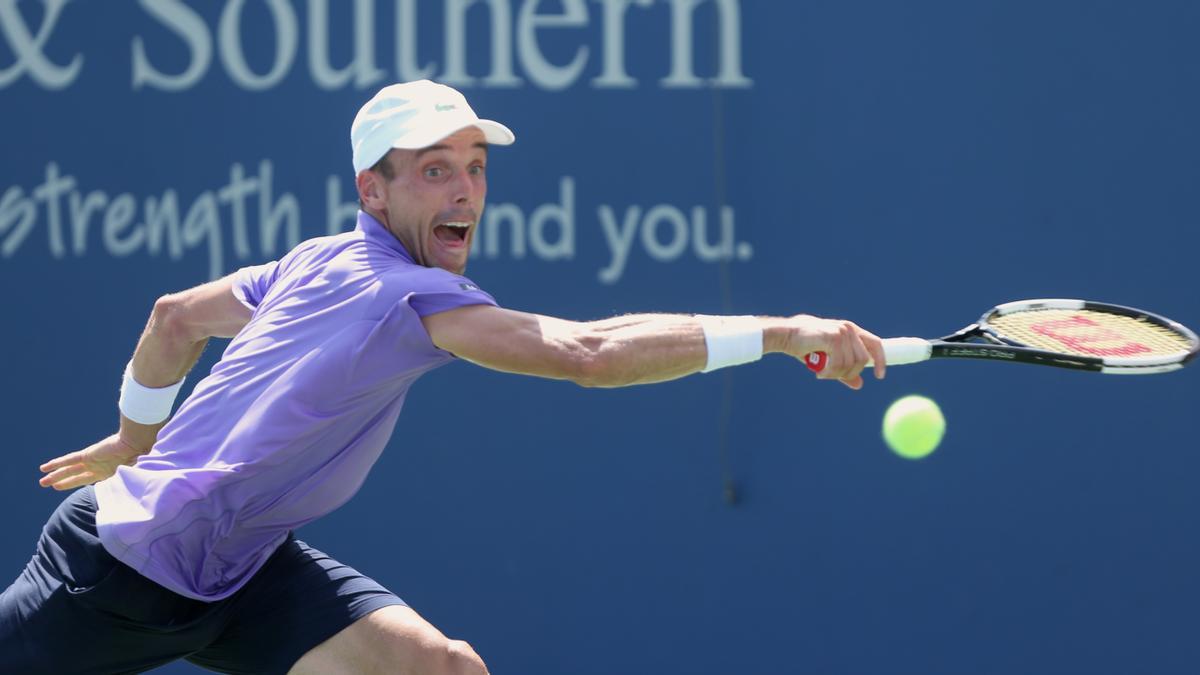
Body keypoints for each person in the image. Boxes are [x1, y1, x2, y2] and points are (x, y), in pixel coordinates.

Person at [0, 79, 886, 674]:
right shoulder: (404, 295)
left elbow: (174, 318)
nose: (464, 191)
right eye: (433, 171)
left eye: (475, 168)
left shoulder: (317, 260)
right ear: (373, 192)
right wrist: (780, 331)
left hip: (240, 570)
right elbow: (588, 353)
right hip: (118, 572)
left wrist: (132, 438)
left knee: (444, 668)